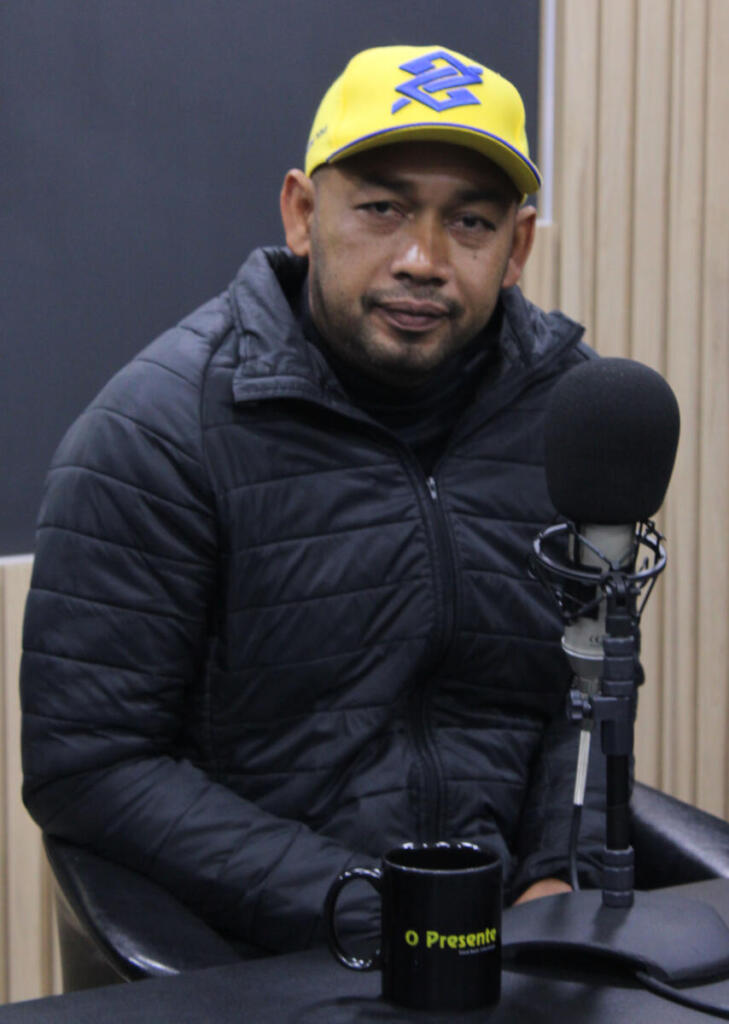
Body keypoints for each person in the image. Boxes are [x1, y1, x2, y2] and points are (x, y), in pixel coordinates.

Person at [20, 44, 606, 955]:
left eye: (470, 222)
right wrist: (384, 909)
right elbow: (90, 765)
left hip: (511, 940)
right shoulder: (156, 433)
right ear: (302, 214)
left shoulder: (571, 416)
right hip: (269, 952)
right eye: (381, 209)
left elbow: (590, 683)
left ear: (516, 248)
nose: (422, 259)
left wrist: (557, 873)